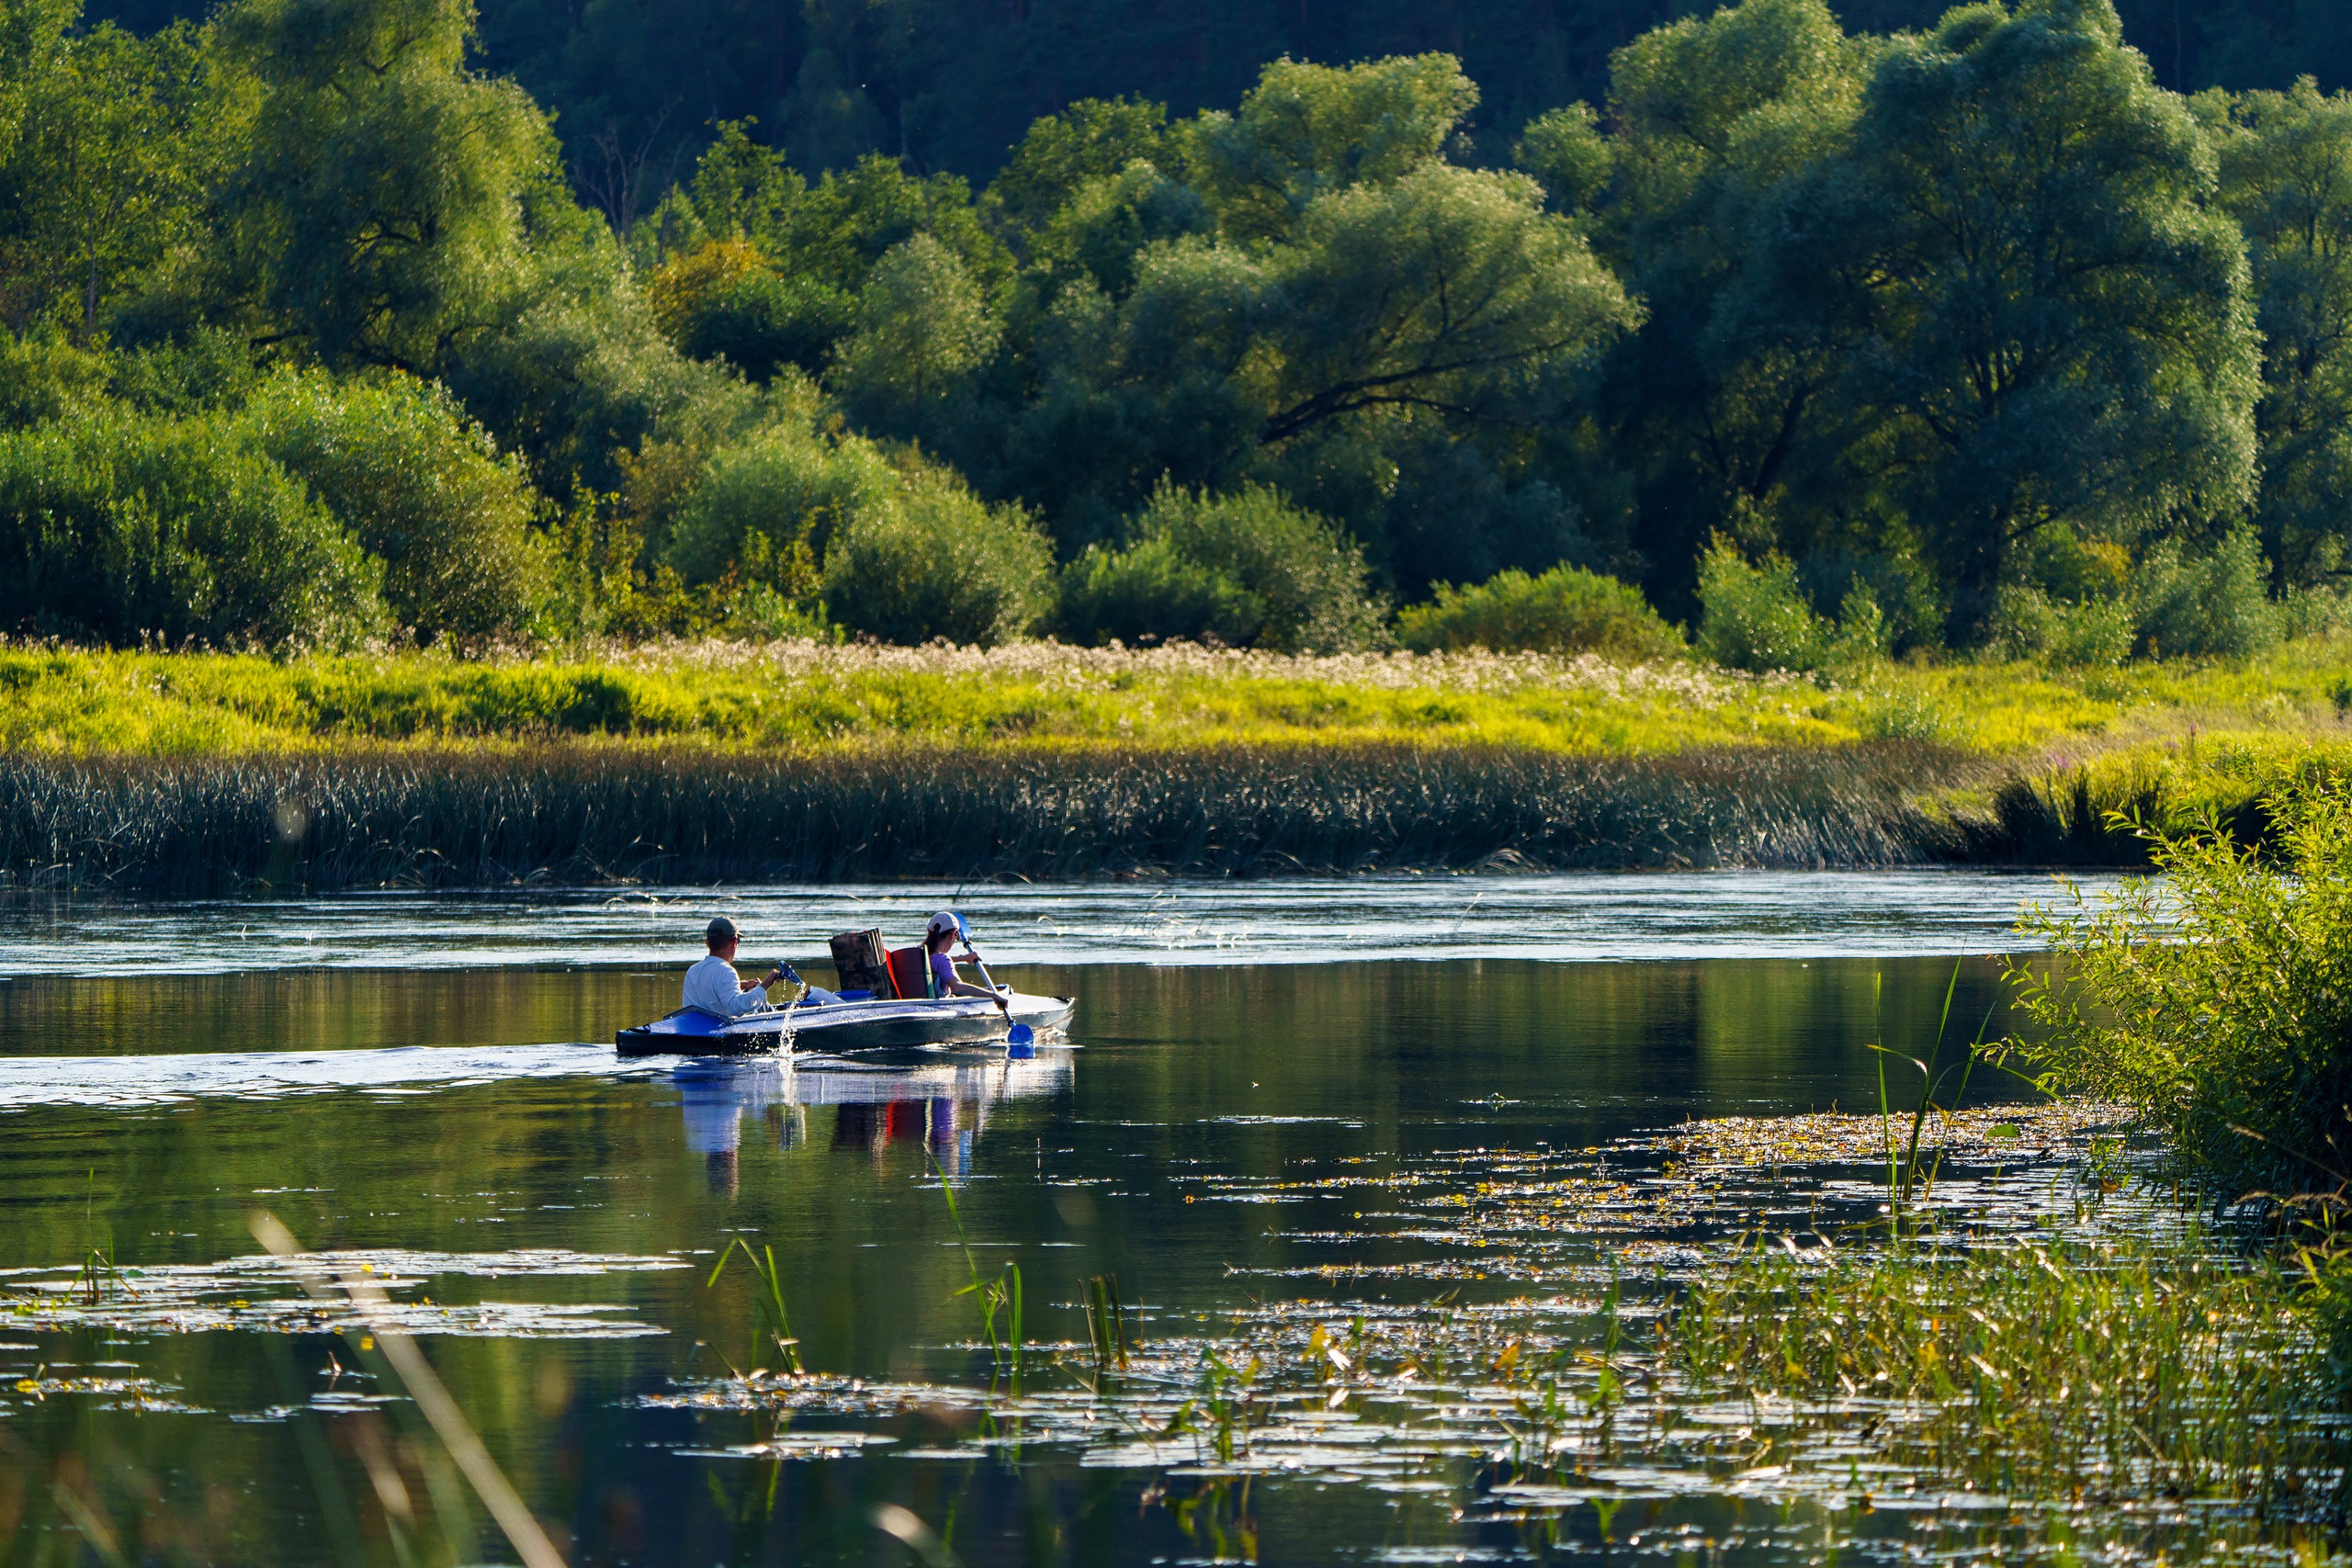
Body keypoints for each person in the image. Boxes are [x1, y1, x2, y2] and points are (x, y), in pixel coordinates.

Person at [684, 917, 838, 1015]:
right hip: (720, 1033)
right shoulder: (726, 971)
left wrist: (742, 985)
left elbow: (711, 987)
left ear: (707, 943)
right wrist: (766, 984)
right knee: (764, 1007)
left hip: (698, 1029)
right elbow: (736, 1007)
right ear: (734, 942)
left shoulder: (693, 971)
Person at [924, 910, 1006, 1005]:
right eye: (956, 939)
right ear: (953, 934)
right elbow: (957, 987)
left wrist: (963, 958)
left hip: (914, 1003)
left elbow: (934, 960)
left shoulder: (919, 954)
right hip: (937, 1007)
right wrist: (993, 995)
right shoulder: (943, 960)